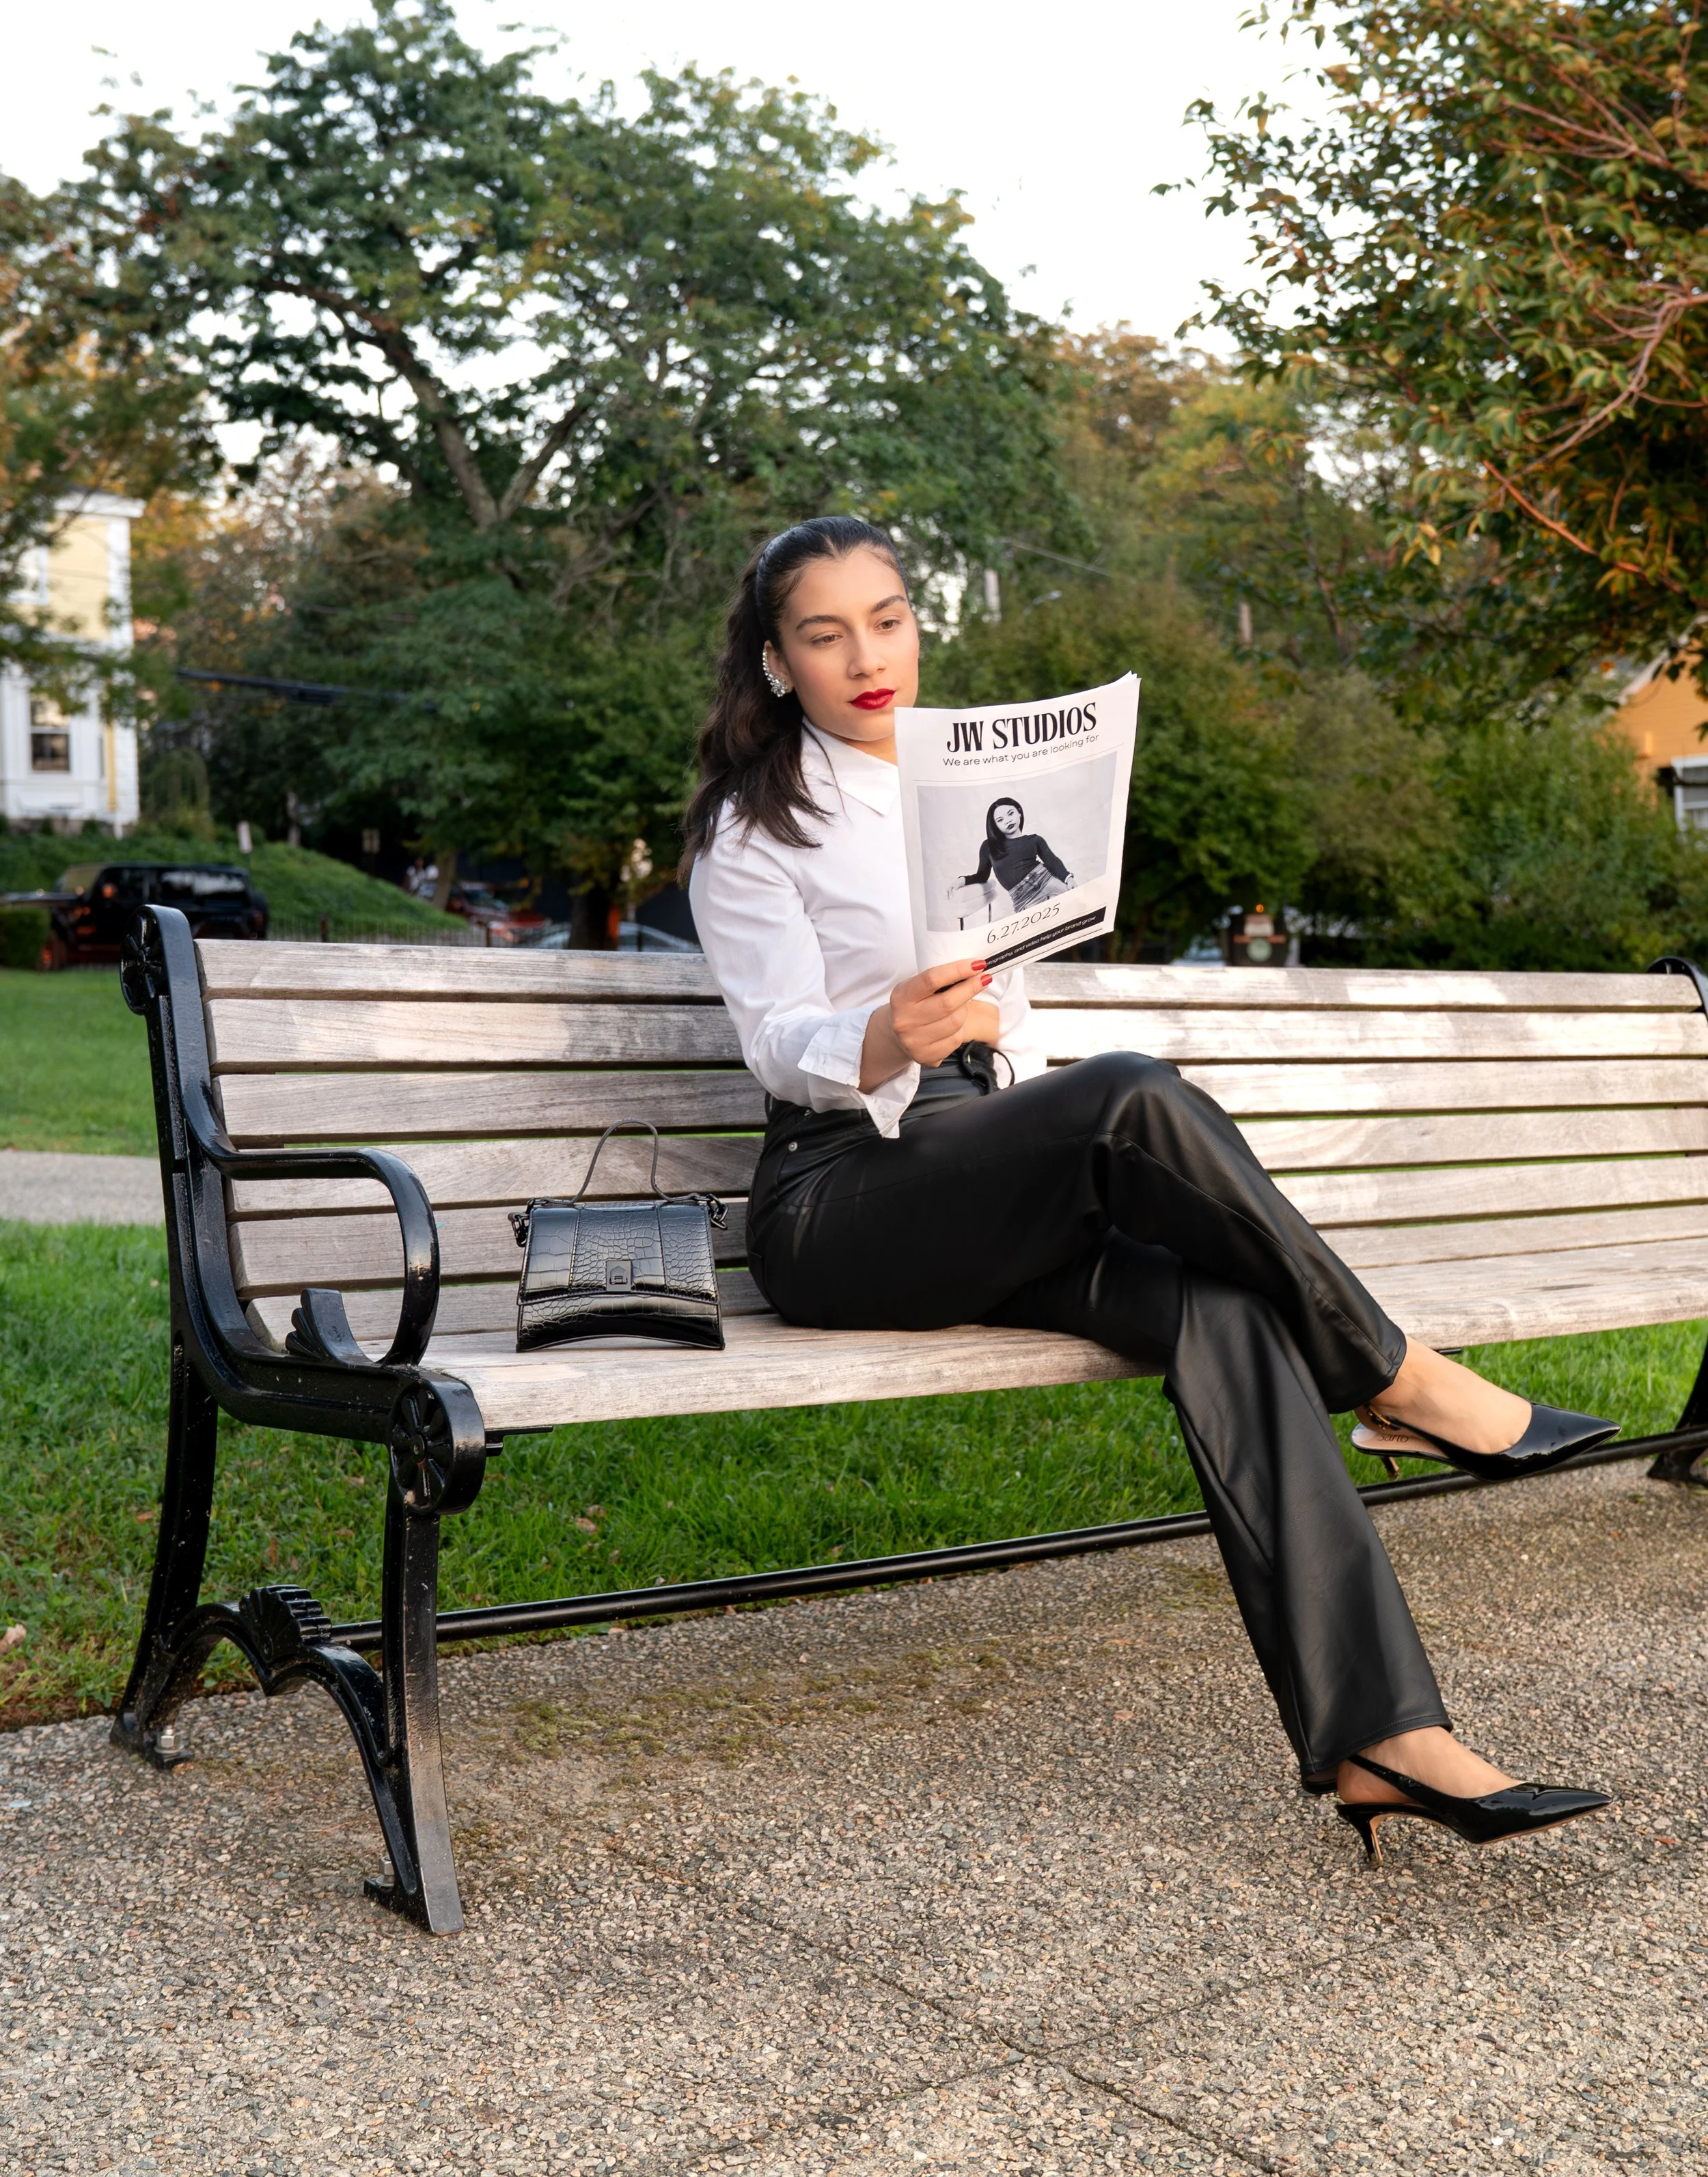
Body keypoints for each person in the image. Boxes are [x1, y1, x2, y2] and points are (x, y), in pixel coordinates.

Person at [683, 514, 1614, 1863]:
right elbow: (773, 1038)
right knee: (1132, 1091)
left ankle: (1379, 1739)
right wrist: (884, 1035)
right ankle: (1399, 1377)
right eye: (823, 634)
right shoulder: (754, 824)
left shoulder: (954, 790)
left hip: (990, 1166)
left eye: (886, 619)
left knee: (1221, 1305)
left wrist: (1006, 1073)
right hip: (843, 1200)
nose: (865, 656)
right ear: (775, 662)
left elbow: (1021, 1033)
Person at [954, 798, 1073, 913]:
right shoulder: (989, 847)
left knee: (1074, 908)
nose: (1007, 821)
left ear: (1019, 813)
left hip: (1049, 882)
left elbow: (1052, 861)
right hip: (1024, 899)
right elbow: (982, 876)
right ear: (995, 826)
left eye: (1010, 814)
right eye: (1000, 820)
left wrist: (1069, 878)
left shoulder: (1035, 840)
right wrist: (963, 880)